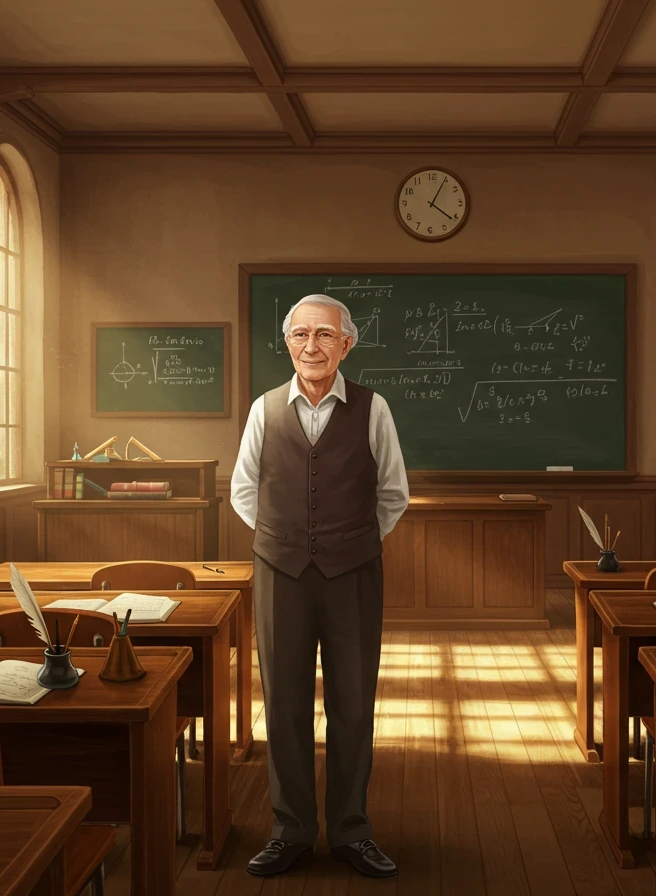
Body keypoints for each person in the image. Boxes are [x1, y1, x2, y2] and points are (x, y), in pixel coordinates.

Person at [231, 294, 409, 878]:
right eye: (301, 335)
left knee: (353, 706)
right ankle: (291, 832)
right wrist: (284, 540)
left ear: (346, 344)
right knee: (283, 706)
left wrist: (348, 543)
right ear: (288, 343)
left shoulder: (373, 408)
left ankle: (352, 832)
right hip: (279, 573)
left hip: (353, 573)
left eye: (325, 335)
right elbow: (243, 492)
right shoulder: (263, 410)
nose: (312, 345)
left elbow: (392, 495)